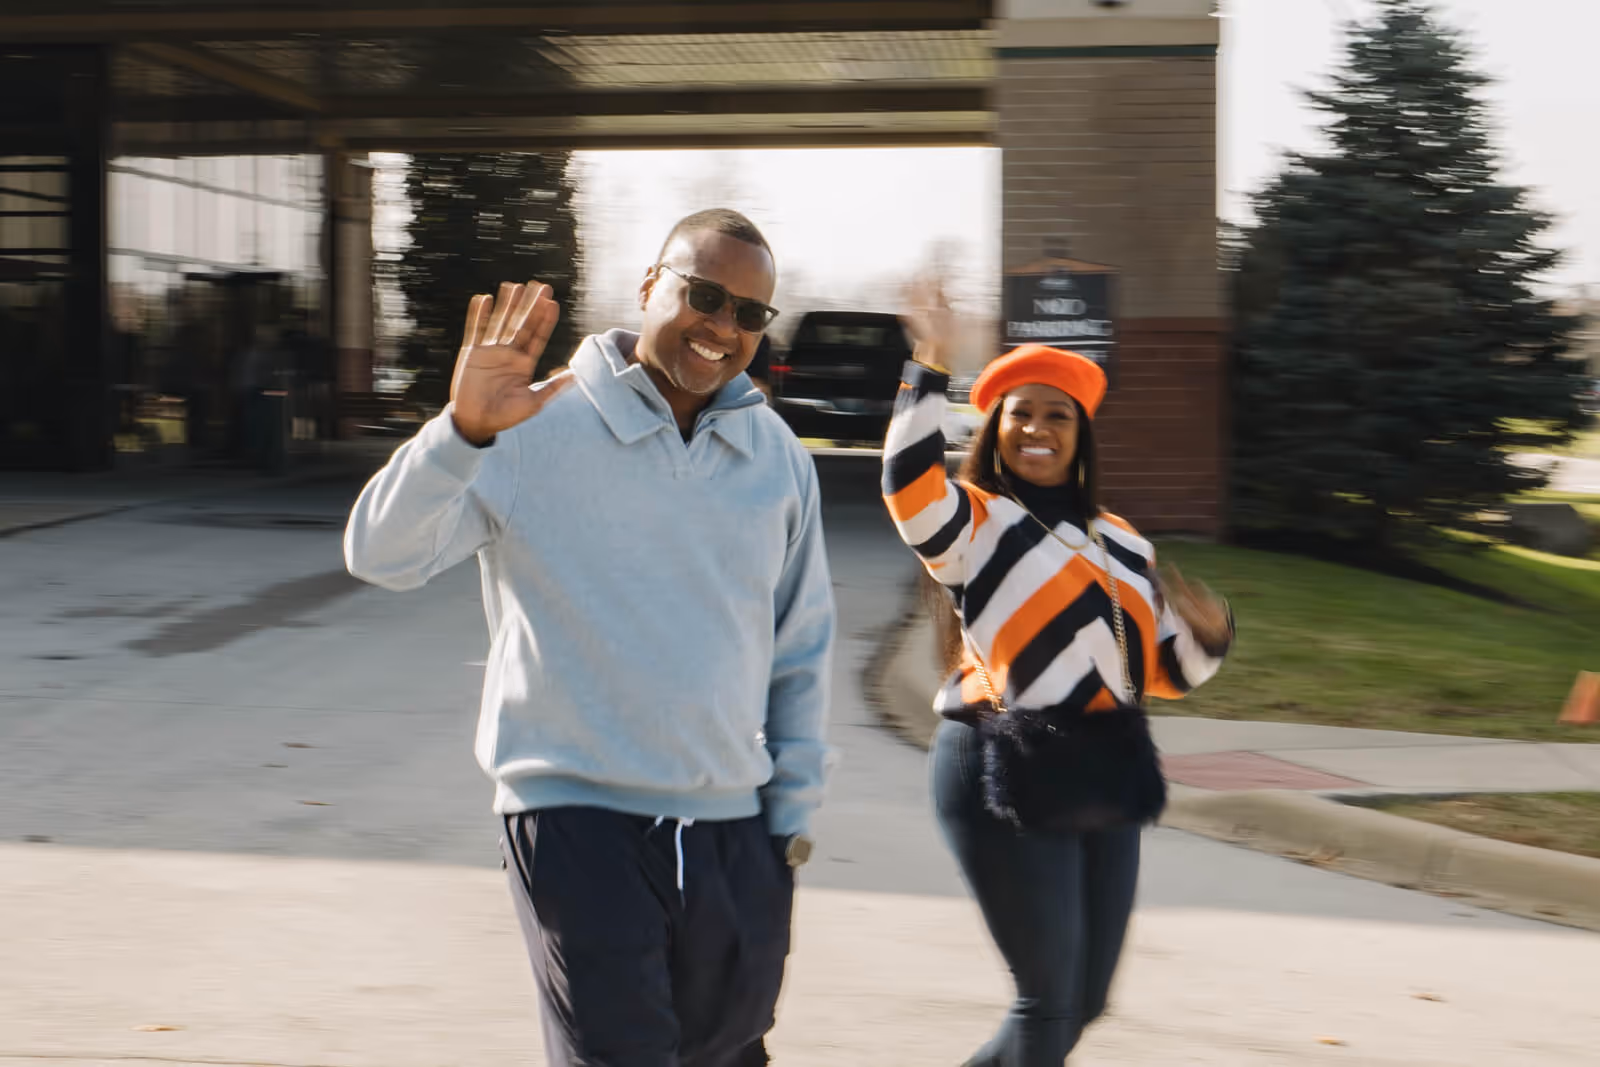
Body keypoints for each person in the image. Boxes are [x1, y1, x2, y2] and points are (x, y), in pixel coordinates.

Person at [344, 209, 835, 1067]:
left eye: (749, 314)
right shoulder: (533, 426)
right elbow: (381, 554)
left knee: (728, 1056)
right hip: (577, 819)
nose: (723, 327)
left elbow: (801, 648)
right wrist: (460, 434)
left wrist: (784, 829)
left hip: (731, 831)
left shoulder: (779, 459)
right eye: (705, 295)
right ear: (651, 287)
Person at [883, 292, 1233, 1066]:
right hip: (999, 758)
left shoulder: (1124, 546)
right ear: (997, 429)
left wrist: (1211, 635)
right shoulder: (975, 523)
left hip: (1104, 765)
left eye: (1057, 415)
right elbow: (907, 486)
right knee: (1046, 1006)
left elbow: (1163, 675)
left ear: (1081, 435)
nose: (1037, 428)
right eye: (1021, 414)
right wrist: (929, 365)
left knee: (1085, 1000)